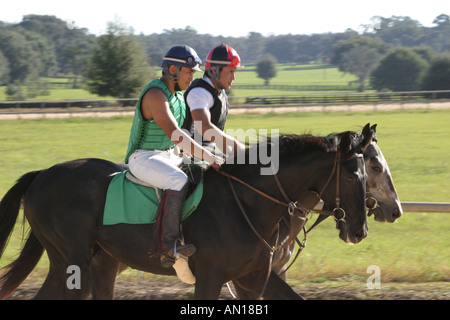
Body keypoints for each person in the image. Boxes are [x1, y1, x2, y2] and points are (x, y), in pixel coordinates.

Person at [124, 45, 224, 268]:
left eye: (193, 73)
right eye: (188, 72)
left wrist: (205, 158)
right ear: (172, 69)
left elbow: (177, 142)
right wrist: (209, 155)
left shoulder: (178, 96)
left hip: (168, 155)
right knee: (178, 180)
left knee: (201, 169)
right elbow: (177, 135)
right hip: (143, 158)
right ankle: (168, 247)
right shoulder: (155, 95)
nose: (191, 77)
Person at [183, 43, 246, 157]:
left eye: (234, 72)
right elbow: (205, 128)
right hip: (187, 155)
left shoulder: (220, 93)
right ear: (213, 71)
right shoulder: (199, 92)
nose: (233, 78)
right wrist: (235, 143)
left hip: (207, 152)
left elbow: (217, 136)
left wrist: (232, 156)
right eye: (230, 72)